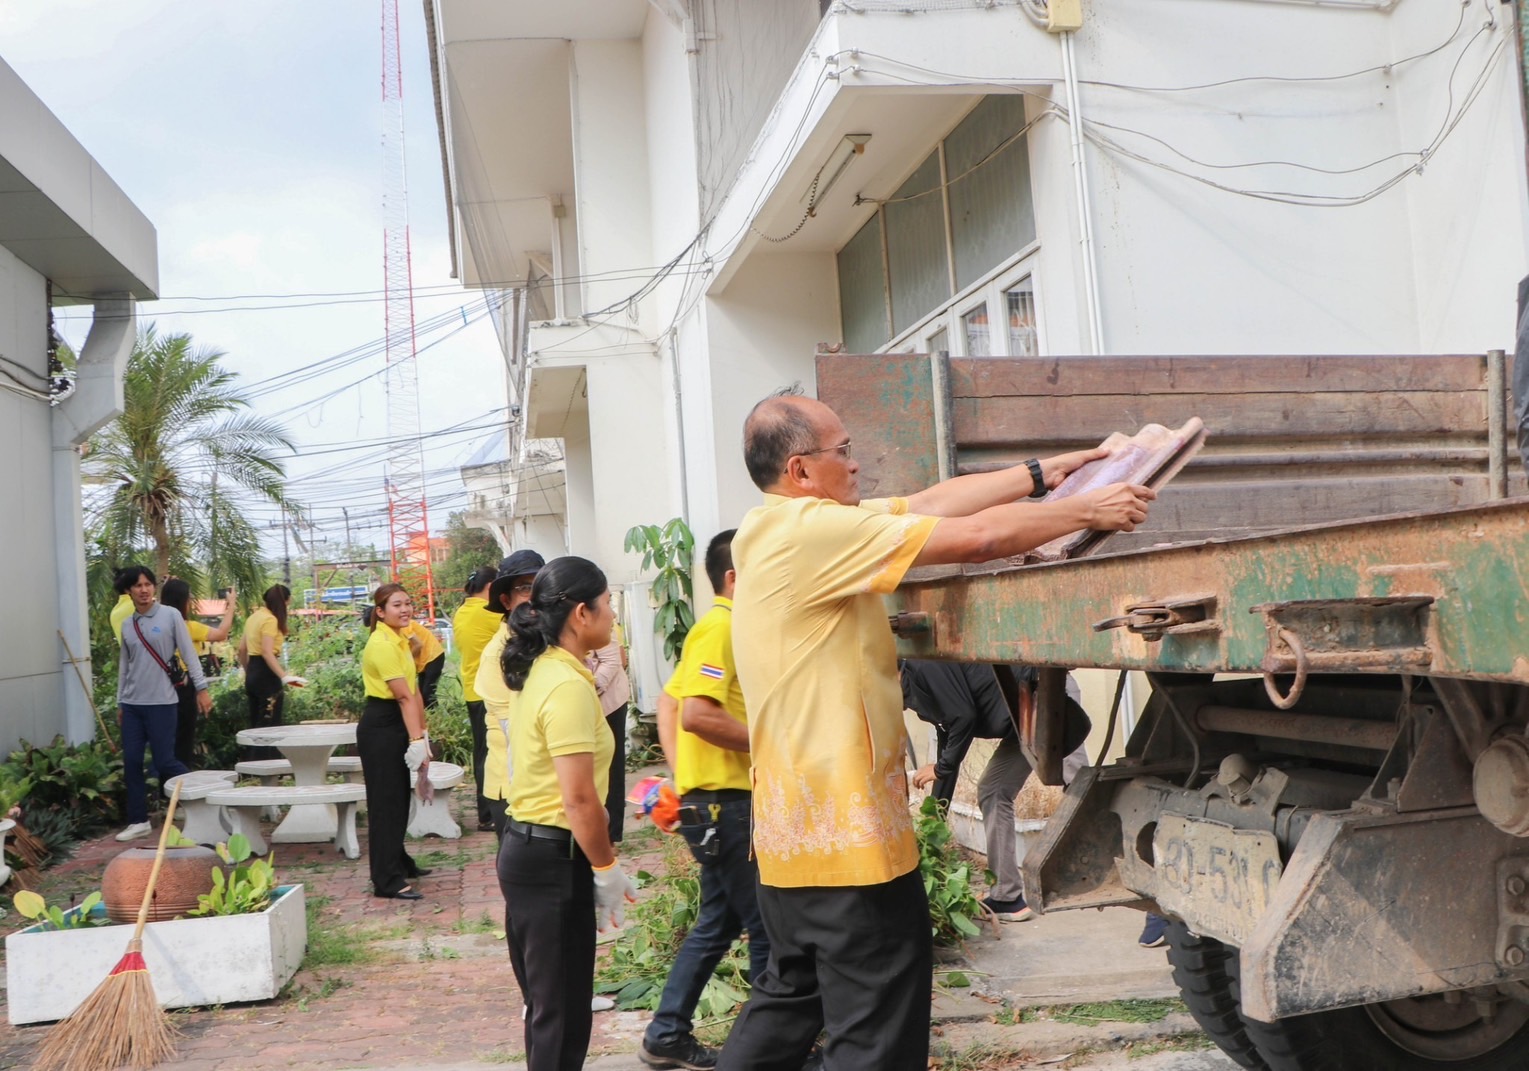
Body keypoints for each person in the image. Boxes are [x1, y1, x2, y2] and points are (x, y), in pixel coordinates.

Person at [718, 388, 1153, 1071]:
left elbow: (933, 502)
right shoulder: (812, 532)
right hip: (848, 841)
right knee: (875, 1036)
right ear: (801, 469)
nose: (857, 465)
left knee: (789, 1000)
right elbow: (974, 538)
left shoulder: (771, 530)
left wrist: (1048, 472)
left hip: (789, 840)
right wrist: (1088, 508)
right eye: (844, 451)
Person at [497, 556, 638, 1071]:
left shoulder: (550, 670)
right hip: (551, 856)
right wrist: (605, 868)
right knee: (560, 1017)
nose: (612, 619)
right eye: (608, 608)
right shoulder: (566, 685)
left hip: (532, 850)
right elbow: (579, 799)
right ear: (582, 613)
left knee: (551, 1011)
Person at [640, 530, 765, 1071]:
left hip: (713, 804)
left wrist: (682, 776)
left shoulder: (719, 630)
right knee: (765, 930)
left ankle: (666, 1034)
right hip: (727, 807)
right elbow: (696, 714)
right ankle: (768, 1051)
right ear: (734, 579)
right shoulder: (719, 629)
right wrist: (773, 743)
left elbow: (669, 704)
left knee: (718, 923)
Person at [901, 660, 1090, 924]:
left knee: (1079, 786)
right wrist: (936, 815)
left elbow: (963, 716)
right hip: (1019, 721)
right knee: (993, 790)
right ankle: (1007, 897)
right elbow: (949, 733)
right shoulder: (913, 690)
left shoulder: (923, 666)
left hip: (1045, 696)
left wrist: (942, 767)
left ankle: (1106, 865)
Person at [114, 566, 212, 841]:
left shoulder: (170, 616)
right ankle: (138, 820)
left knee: (165, 761)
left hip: (163, 702)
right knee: (132, 761)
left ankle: (207, 798)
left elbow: (190, 655)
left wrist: (202, 688)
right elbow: (125, 666)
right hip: (133, 704)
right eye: (137, 586)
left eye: (148, 584)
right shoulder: (127, 624)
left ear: (154, 588)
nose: (143, 590)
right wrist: (120, 702)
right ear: (129, 591)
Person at [359, 583, 434, 900]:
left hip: (398, 721)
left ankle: (398, 861)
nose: (405, 610)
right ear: (380, 612)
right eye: (396, 605)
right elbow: (402, 696)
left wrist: (422, 734)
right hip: (382, 724)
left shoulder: (403, 638)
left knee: (398, 800)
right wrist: (416, 739)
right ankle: (386, 880)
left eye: (407, 604)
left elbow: (414, 690)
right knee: (385, 804)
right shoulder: (381, 644)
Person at [477, 549, 547, 837]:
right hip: (516, 788)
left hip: (547, 785)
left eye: (540, 586)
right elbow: (513, 731)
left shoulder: (548, 641)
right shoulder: (497, 654)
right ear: (505, 600)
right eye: (524, 588)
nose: (534, 597)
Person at [159, 579, 236, 768]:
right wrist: (231, 604)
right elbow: (221, 633)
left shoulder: (156, 625)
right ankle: (179, 784)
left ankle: (163, 788)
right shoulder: (188, 627)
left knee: (165, 737)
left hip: (159, 686)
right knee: (184, 737)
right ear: (183, 601)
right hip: (183, 686)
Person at [453, 565, 504, 831]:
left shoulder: (462, 611)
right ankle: (488, 814)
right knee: (490, 754)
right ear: (491, 587)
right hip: (488, 691)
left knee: (482, 752)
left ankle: (487, 811)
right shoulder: (488, 613)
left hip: (472, 690)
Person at [237, 584, 300, 757]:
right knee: (270, 726)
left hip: (253, 673)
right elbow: (267, 652)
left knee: (256, 724)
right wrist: (284, 676)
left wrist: (249, 671)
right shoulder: (271, 620)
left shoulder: (254, 617)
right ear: (284, 602)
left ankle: (252, 768)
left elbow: (241, 650)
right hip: (266, 676)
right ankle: (268, 768)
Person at [587, 623, 631, 843]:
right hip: (584, 701)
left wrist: (589, 687)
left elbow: (614, 660)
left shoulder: (600, 622)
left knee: (612, 767)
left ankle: (611, 834)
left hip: (608, 701)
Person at [403, 616, 447, 709]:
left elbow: (418, 644)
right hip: (423, 661)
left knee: (428, 693)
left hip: (434, 656)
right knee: (422, 695)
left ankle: (437, 717)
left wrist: (407, 660)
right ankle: (433, 718)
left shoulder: (403, 625)